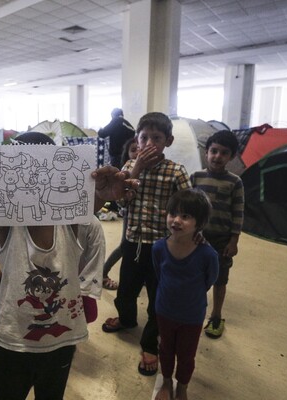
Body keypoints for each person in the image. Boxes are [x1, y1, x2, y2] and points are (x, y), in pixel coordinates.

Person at [0, 132, 137, 400]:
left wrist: (103, 194)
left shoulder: (71, 221)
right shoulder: (9, 223)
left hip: (61, 340)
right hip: (12, 340)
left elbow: (85, 205)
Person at [102, 112, 191, 378]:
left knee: (156, 298)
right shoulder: (129, 167)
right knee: (125, 291)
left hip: (162, 247)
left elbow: (188, 208)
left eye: (157, 137)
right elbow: (120, 202)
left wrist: (188, 238)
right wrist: (136, 169)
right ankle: (127, 319)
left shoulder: (176, 171)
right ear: (136, 140)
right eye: (144, 137)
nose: (149, 143)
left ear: (168, 141)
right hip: (132, 242)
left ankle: (150, 343)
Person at [153, 189, 219, 400]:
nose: (176, 220)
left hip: (191, 316)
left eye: (186, 216)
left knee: (186, 356)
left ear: (199, 223)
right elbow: (159, 274)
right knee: (165, 349)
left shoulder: (207, 255)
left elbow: (210, 280)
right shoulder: (158, 248)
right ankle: (165, 382)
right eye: (172, 213)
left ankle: (182, 387)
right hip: (164, 311)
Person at [190, 130, 244, 339]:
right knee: (196, 276)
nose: (217, 156)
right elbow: (190, 208)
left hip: (222, 241)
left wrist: (234, 240)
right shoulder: (196, 177)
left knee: (220, 279)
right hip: (197, 238)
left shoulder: (235, 182)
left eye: (224, 153)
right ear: (207, 152)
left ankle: (216, 316)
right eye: (214, 151)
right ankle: (195, 311)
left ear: (231, 157)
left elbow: (238, 213)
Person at [102, 137, 139, 290]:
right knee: (125, 246)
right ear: (127, 154)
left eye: (140, 148)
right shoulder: (128, 169)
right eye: (133, 150)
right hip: (130, 215)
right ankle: (103, 272)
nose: (138, 153)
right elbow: (120, 199)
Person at [98, 108, 136, 215]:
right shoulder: (128, 124)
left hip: (116, 155)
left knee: (116, 178)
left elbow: (103, 133)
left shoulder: (115, 121)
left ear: (113, 115)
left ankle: (115, 205)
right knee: (125, 178)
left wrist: (100, 129)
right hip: (127, 156)